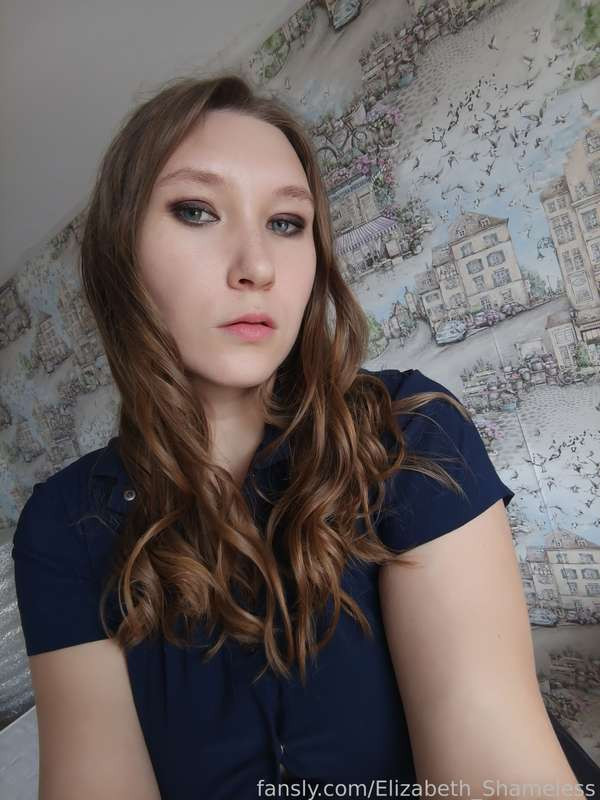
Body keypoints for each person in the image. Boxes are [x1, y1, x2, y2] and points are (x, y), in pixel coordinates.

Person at [11, 72, 583, 800]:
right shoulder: (63, 527)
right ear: (120, 251)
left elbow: (496, 756)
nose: (257, 267)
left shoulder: (406, 430)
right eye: (196, 211)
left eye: (286, 223)